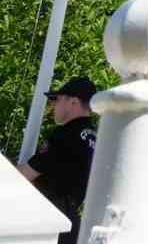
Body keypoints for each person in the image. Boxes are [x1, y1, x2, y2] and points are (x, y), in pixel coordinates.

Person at [18, 77, 99, 243]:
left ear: (73, 102)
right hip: (70, 228)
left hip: (46, 225)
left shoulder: (66, 135)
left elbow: (24, 175)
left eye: (57, 99)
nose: (52, 105)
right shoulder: (96, 139)